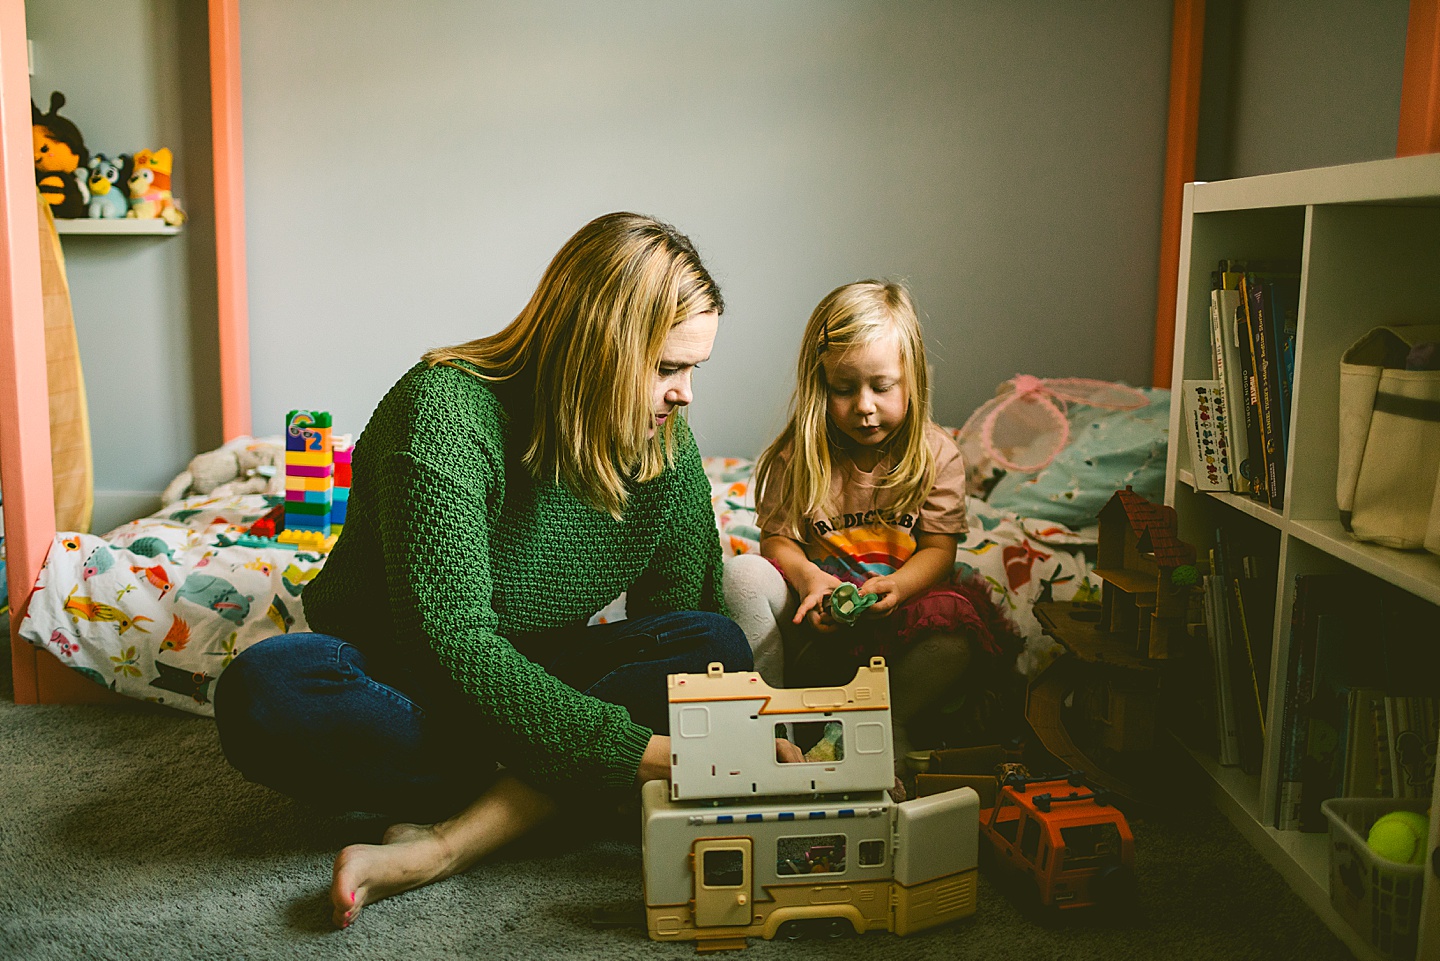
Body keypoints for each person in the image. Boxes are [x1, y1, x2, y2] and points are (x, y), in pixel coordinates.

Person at [213, 212, 756, 929]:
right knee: (265, 690)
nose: (684, 393)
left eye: (693, 370)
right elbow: (452, 645)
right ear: (596, 348)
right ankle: (559, 794)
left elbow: (684, 635)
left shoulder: (665, 443)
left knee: (712, 644)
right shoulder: (442, 410)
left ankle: (448, 841)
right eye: (666, 367)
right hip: (407, 671)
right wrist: (649, 753)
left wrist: (792, 751)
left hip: (531, 670)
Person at [726, 280, 1016, 771]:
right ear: (821, 385)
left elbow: (939, 550)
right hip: (815, 629)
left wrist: (899, 588)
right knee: (743, 576)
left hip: (897, 629)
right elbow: (779, 541)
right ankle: (773, 725)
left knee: (955, 630)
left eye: (881, 387)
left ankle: (886, 725)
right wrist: (810, 580)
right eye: (844, 389)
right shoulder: (793, 457)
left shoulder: (937, 453)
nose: (864, 405)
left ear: (911, 379)